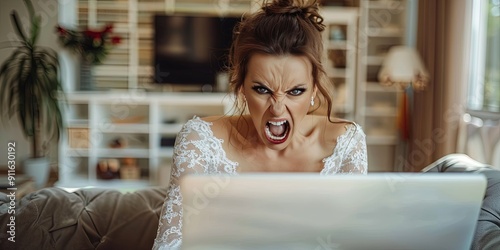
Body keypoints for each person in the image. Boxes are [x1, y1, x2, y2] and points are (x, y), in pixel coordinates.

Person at [152, 0, 367, 249]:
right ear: (241, 87)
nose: (277, 108)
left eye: (295, 91)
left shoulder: (345, 143)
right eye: (262, 89)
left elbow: (353, 241)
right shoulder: (199, 140)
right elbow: (170, 244)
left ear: (314, 90)